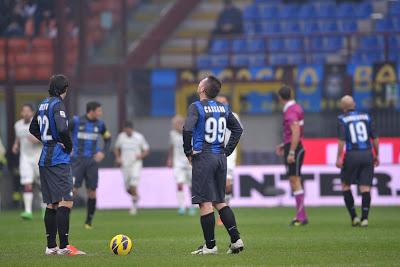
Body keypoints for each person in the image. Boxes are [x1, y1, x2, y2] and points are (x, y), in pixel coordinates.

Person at [183, 75, 244, 255]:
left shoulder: (196, 107)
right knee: (220, 201)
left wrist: (188, 152)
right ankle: (236, 240)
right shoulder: (224, 107)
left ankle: (210, 246)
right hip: (220, 158)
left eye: (201, 81)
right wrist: (227, 150)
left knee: (205, 203)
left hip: (204, 157)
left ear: (202, 89)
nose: (199, 82)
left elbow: (187, 129)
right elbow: (238, 129)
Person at [29, 74, 85, 255]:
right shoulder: (57, 105)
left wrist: (46, 141)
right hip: (58, 159)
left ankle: (51, 246)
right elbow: (62, 128)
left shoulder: (43, 104)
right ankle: (65, 247)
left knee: (52, 203)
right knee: (66, 201)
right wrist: (67, 146)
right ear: (64, 89)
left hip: (45, 158)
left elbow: (33, 128)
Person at [336, 95, 379, 227]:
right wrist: (376, 154)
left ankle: (354, 217)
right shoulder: (366, 117)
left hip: (352, 155)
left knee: (345, 185)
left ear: (343, 107)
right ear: (354, 104)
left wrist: (339, 157)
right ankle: (365, 218)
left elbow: (342, 140)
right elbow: (375, 138)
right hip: (367, 154)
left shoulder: (342, 119)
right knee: (365, 188)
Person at [70, 101, 111, 229]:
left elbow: (108, 139)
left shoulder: (100, 124)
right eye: (99, 110)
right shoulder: (76, 121)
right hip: (77, 160)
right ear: (91, 111)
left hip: (92, 162)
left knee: (92, 192)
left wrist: (103, 152)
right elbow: (62, 132)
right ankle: (64, 219)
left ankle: (88, 222)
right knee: (72, 191)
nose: (100, 113)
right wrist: (67, 147)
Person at [275, 85, 308, 226]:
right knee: (295, 180)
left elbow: (295, 132)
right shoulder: (296, 108)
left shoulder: (290, 111)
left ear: (280, 98)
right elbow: (296, 131)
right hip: (294, 145)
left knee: (294, 180)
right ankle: (301, 215)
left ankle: (301, 217)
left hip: (295, 147)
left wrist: (292, 151)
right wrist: (285, 144)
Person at [13, 104, 44, 220]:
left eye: (28, 111)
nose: (25, 113)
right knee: (27, 183)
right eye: (23, 111)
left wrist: (37, 140)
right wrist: (15, 145)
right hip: (25, 158)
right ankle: (28, 211)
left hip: (38, 157)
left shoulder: (38, 123)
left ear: (32, 113)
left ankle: (45, 209)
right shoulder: (17, 125)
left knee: (42, 185)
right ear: (21, 113)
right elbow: (18, 138)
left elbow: (45, 139)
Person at [215, 95, 241, 225]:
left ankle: (224, 214)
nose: (222, 104)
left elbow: (238, 133)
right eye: (219, 102)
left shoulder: (233, 116)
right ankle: (218, 210)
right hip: (214, 153)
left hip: (229, 153)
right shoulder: (212, 116)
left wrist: (228, 149)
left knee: (227, 183)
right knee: (216, 184)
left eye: (224, 102)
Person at [114, 121, 149, 215]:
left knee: (133, 184)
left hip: (136, 164)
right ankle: (136, 197)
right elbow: (116, 148)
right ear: (124, 129)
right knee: (127, 188)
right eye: (126, 129)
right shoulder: (121, 137)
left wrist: (141, 156)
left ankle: (133, 207)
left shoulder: (139, 137)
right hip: (125, 165)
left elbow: (146, 150)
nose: (128, 131)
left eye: (129, 129)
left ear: (132, 129)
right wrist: (118, 158)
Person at [167, 115, 196, 216]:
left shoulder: (189, 133)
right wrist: (169, 158)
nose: (176, 126)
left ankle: (192, 206)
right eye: (174, 124)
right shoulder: (172, 134)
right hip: (178, 163)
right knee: (179, 184)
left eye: (178, 123)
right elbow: (171, 147)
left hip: (189, 162)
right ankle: (182, 207)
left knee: (191, 185)